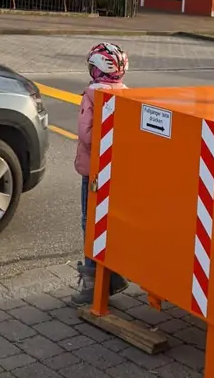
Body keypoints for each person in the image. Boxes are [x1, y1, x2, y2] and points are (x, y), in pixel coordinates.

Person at [73, 41, 130, 305]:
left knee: (91, 222)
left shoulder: (92, 94)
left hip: (94, 171)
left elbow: (86, 135)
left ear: (95, 69)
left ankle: (93, 284)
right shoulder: (127, 94)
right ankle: (115, 274)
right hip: (117, 170)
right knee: (111, 222)